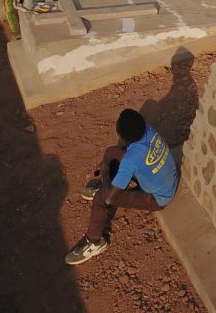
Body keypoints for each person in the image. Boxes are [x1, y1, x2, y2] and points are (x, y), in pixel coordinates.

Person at [65, 109, 180, 265]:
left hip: (156, 199)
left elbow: (110, 199)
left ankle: (94, 242)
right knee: (111, 153)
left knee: (101, 198)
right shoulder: (149, 130)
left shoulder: (130, 160)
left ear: (121, 134)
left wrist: (105, 172)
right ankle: (111, 183)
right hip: (167, 180)